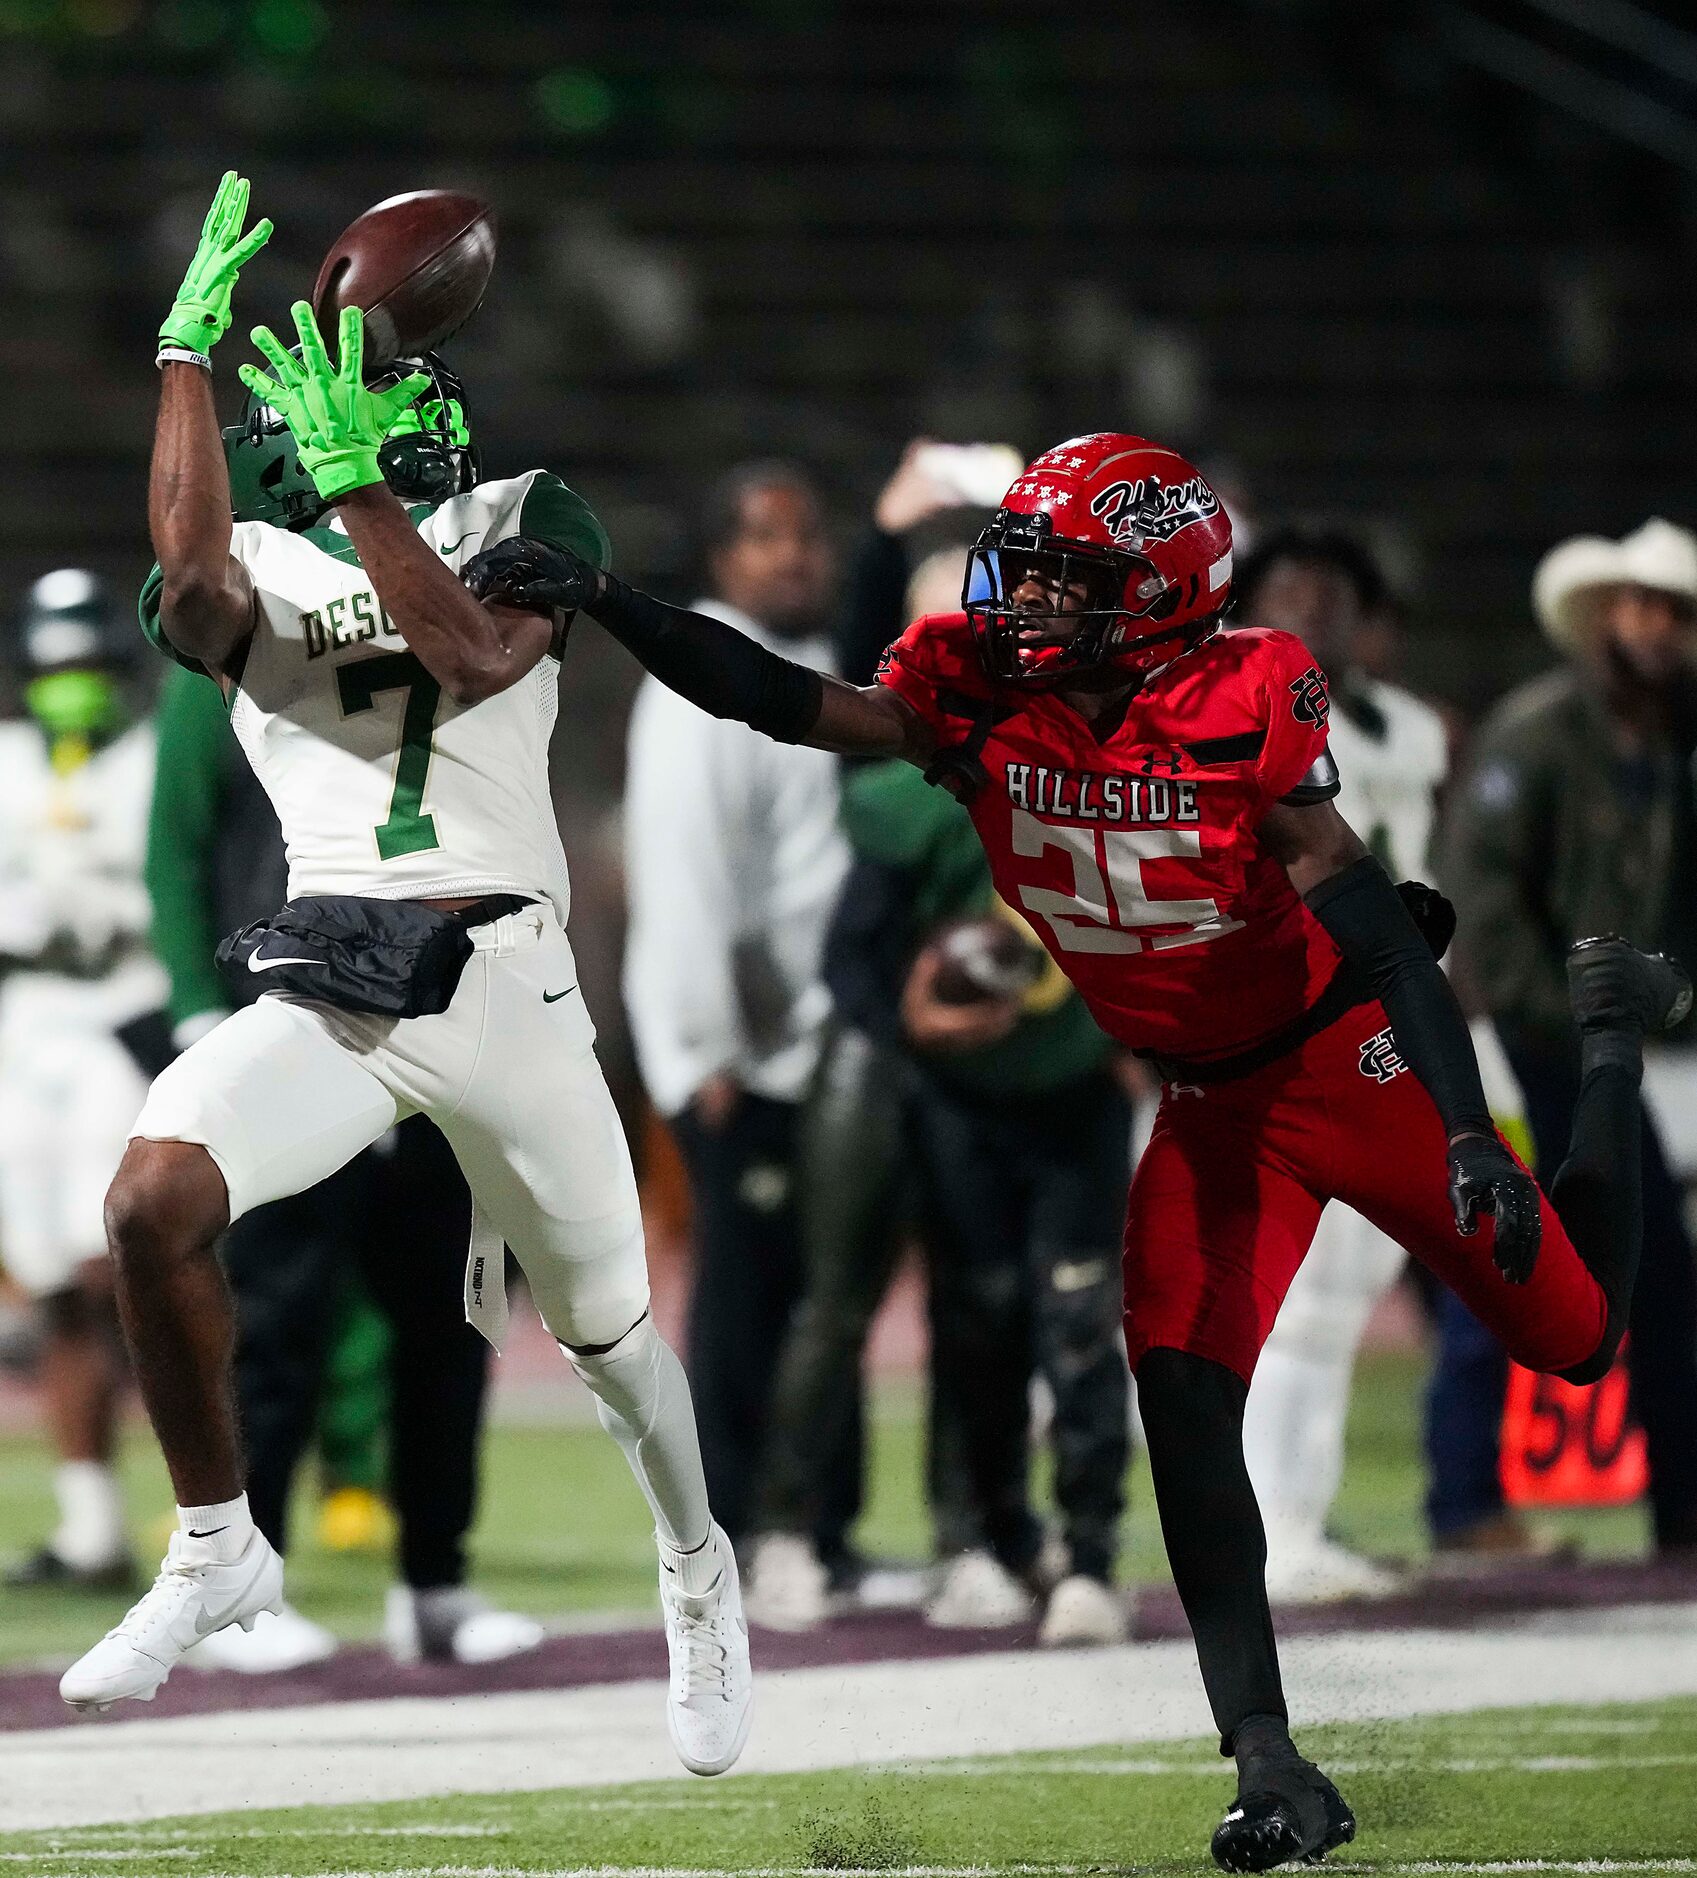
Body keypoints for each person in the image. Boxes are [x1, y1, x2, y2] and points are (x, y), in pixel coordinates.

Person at [467, 431, 1688, 1872]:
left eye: (1063, 577)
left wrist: (1472, 1126)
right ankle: (1265, 1758)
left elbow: (1365, 912)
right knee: (1177, 1393)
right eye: (1025, 567)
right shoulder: (975, 689)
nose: (1024, 600)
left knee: (1578, 1333)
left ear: (1160, 593)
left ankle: (1613, 1043)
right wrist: (614, 602)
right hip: (1205, 1099)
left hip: (1344, 1065)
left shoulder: (1241, 693)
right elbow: (789, 703)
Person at [58, 174, 751, 1781]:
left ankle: (696, 1568)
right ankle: (220, 1541)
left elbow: (476, 656)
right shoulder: (260, 568)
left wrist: (369, 487)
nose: (371, 419)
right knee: (154, 1195)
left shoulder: (530, 518)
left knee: (611, 1342)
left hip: (510, 973)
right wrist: (182, 356)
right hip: (344, 970)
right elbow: (199, 575)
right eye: (335, 417)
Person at [145, 662, 544, 1670]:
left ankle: (435, 1585)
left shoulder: (442, 639)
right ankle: (239, 1592)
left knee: (450, 1317)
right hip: (286, 1020)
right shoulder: (239, 648)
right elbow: (176, 840)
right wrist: (200, 1003)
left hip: (435, 1019)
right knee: (274, 1321)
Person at [827, 738, 1133, 1644]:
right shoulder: (918, 796)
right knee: (976, 1321)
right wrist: (909, 1019)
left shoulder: (1118, 779)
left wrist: (1151, 1036)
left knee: (1080, 1328)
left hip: (1078, 1099)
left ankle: (1089, 1556)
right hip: (962, 1104)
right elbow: (850, 962)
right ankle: (986, 1539)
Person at [1438, 518, 1697, 1559]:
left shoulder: (1670, 752)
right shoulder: (1536, 735)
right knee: (1509, 1255)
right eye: (1635, 605)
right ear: (1600, 619)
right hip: (1521, 1038)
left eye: (1670, 612)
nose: (1650, 626)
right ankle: (1465, 1505)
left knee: (1633, 1269)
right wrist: (1577, 1022)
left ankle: (1675, 1504)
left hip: (1595, 1046)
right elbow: (1484, 902)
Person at [621, 461, 852, 1560]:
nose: (794, 554)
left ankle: (816, 1521)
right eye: (766, 535)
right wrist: (709, 1041)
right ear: (721, 558)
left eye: (806, 533)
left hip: (808, 1037)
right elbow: (684, 871)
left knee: (818, 1286)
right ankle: (736, 1522)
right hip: (744, 1052)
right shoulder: (702, 674)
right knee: (748, 1290)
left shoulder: (804, 663)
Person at [1228, 528, 1446, 1602]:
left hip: (1386, 1014)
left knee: (1349, 1286)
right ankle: (1271, 1533)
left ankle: (1297, 1522)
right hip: (1284, 1020)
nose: (1306, 609)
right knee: (1293, 1295)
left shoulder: (1402, 727)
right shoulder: (1220, 708)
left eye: (1327, 593)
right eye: (1284, 590)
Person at [0, 569, 167, 1592]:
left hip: (123, 1011)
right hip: (28, 1018)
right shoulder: (8, 762)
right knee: (53, 1278)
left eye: (89, 662)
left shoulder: (150, 760)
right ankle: (90, 1526)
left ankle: (216, 1504)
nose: (74, 682)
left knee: (120, 1267)